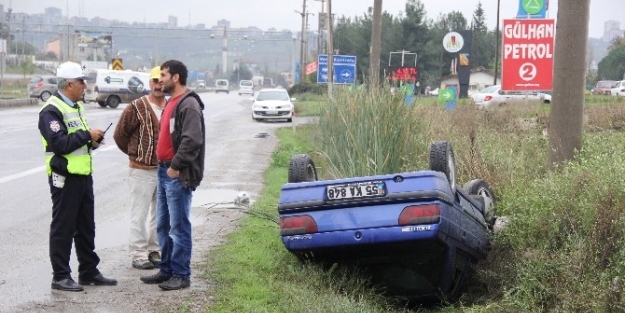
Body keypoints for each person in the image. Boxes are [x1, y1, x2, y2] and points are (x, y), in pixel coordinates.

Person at [38, 61, 117, 292]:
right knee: (63, 226)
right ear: (69, 84)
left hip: (82, 174)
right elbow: (60, 143)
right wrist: (86, 135)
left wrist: (92, 141)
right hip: (64, 176)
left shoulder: (75, 107)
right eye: (82, 81)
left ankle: (88, 271)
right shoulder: (51, 110)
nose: (85, 85)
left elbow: (77, 142)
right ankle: (61, 276)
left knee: (86, 226)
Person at [139, 60, 206, 291]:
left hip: (176, 173)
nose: (160, 80)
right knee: (163, 225)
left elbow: (192, 140)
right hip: (163, 170)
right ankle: (166, 269)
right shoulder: (171, 102)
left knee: (178, 227)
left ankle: (181, 274)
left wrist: (175, 166)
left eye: (164, 75)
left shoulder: (188, 105)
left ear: (175, 77)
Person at [113, 66, 166, 270]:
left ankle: (155, 250)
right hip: (141, 170)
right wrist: (136, 154)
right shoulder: (136, 107)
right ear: (149, 83)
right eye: (154, 81)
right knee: (139, 212)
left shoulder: (171, 107)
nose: (158, 85)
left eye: (162, 81)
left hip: (164, 170)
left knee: (160, 213)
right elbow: (120, 135)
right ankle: (138, 253)